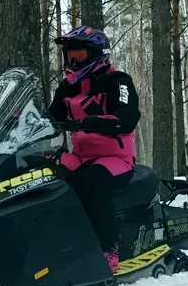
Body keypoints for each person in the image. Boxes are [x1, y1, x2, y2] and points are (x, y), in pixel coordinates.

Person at [47, 26, 141, 273]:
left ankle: (108, 250)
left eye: (79, 55)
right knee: (42, 176)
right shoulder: (66, 88)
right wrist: (23, 122)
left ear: (97, 54)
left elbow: (127, 118)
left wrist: (92, 122)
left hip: (116, 158)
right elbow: (51, 118)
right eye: (69, 56)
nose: (73, 62)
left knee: (90, 183)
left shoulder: (117, 81)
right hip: (80, 156)